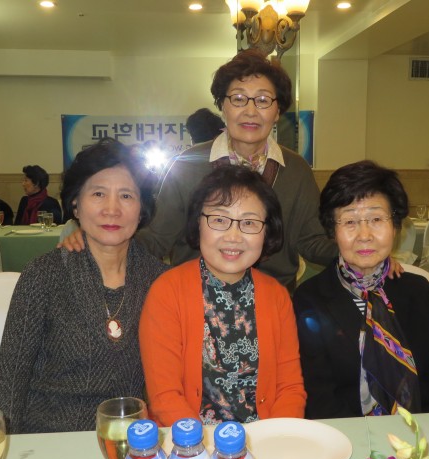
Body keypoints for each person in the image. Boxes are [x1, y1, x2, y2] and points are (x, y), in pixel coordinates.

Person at [62, 49, 338, 290]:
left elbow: (312, 241)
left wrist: (356, 247)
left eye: (263, 100)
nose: (251, 111)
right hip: (195, 302)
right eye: (238, 98)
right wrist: (99, 242)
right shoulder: (187, 165)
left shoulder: (296, 170)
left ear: (277, 111)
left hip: (273, 302)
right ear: (222, 106)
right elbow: (157, 239)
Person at [0, 138, 168, 433]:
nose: (112, 209)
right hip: (50, 440)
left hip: (131, 442)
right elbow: (8, 384)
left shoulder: (159, 281)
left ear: (141, 209)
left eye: (126, 195)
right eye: (98, 193)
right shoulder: (44, 276)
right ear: (75, 204)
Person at [293, 160, 429, 419]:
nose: (364, 235)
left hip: (424, 434)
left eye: (376, 219)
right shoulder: (310, 299)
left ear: (395, 226)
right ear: (332, 230)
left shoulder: (419, 292)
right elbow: (318, 397)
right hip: (347, 437)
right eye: (350, 221)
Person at [139, 165, 306, 427]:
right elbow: (165, 397)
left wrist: (275, 438)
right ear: (198, 223)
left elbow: (290, 388)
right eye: (219, 219)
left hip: (266, 438)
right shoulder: (167, 291)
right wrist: (198, 445)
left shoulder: (276, 295)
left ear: (266, 231)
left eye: (249, 223)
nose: (233, 236)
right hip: (190, 440)